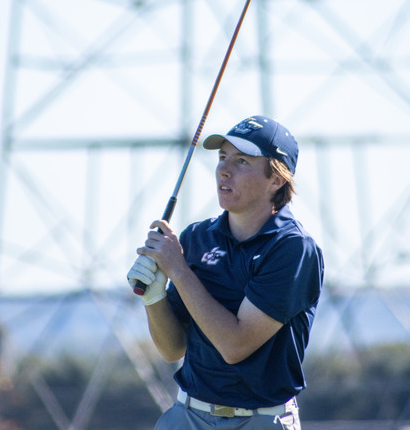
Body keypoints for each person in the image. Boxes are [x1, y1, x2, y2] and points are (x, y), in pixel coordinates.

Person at [127, 115, 324, 429]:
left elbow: (235, 345)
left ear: (276, 179)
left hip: (262, 420)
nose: (224, 169)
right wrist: (154, 299)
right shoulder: (195, 238)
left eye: (242, 161)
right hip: (187, 415)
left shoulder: (293, 249)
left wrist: (178, 271)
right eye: (222, 157)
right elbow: (172, 348)